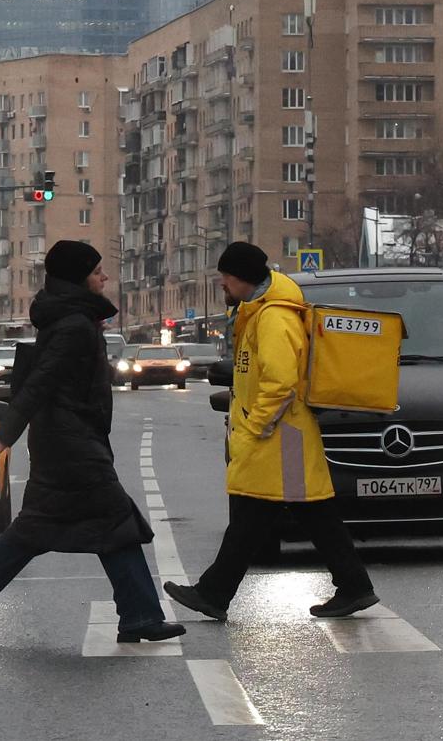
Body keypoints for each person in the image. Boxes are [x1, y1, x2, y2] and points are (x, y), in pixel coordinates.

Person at [0, 242, 180, 647]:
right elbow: (40, 382)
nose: (105, 276)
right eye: (98, 270)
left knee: (36, 531)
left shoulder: (70, 317)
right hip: (73, 447)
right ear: (79, 276)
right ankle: (141, 616)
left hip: (66, 441)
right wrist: (3, 435)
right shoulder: (74, 324)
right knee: (117, 525)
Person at [167, 241, 379, 622]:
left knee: (260, 514)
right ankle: (353, 585)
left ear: (241, 278)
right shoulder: (261, 312)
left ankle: (214, 593)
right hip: (282, 434)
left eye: (225, 277)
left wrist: (254, 426)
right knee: (299, 514)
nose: (222, 285)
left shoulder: (274, 317)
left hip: (280, 434)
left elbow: (280, 382)